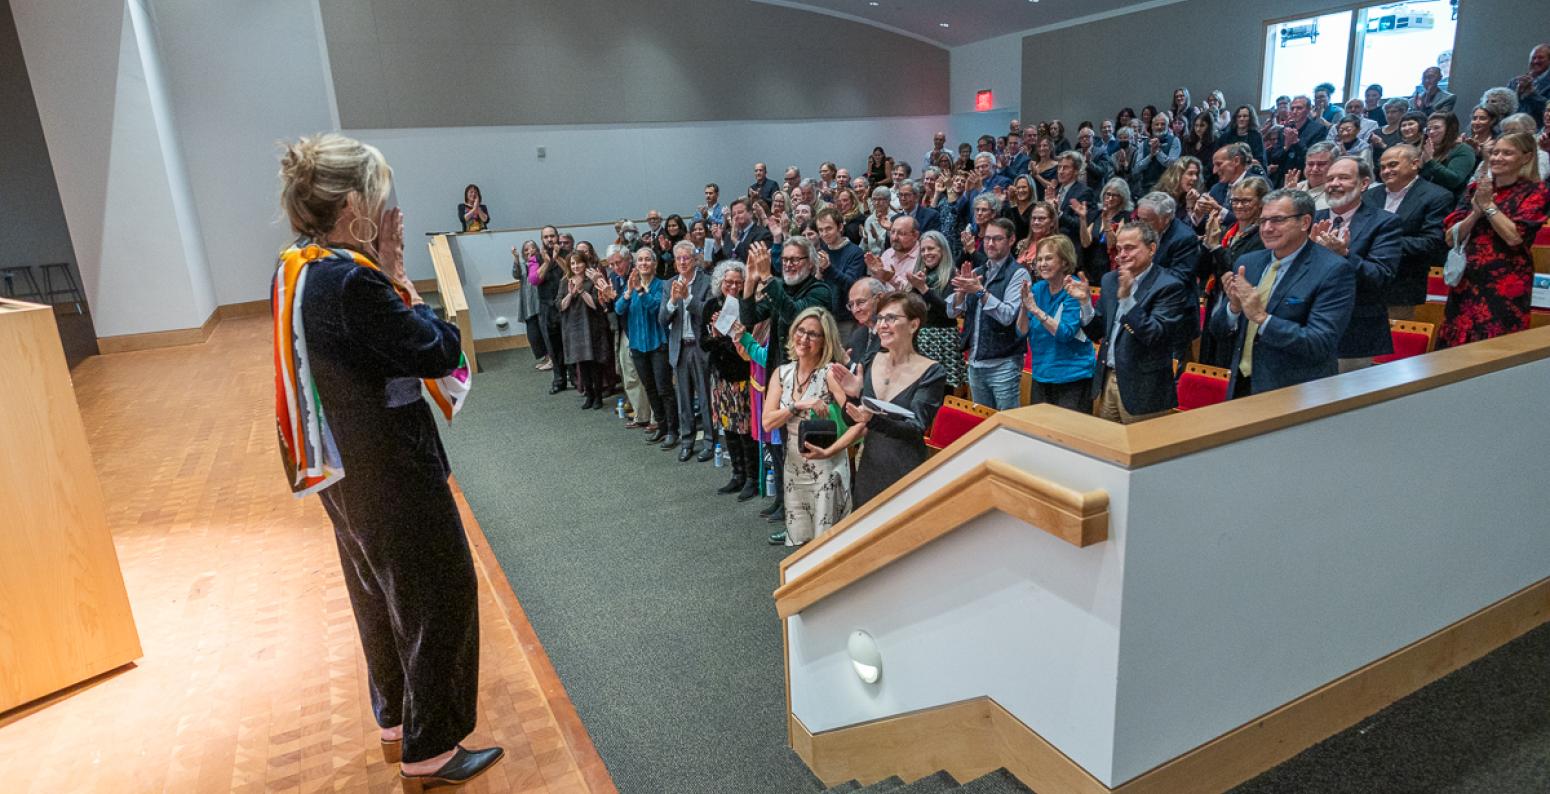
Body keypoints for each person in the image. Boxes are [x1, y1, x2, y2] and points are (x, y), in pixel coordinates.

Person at [273, 133, 502, 787]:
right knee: (440, 592)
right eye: (378, 195)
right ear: (351, 207)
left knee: (380, 593)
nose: (386, 207)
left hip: (341, 461)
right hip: (388, 467)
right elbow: (438, 350)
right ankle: (431, 747)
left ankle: (398, 719)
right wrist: (399, 275)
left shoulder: (301, 264)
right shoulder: (351, 282)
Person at [1212, 190, 1356, 398]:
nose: (1267, 228)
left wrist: (1262, 319)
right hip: (1242, 385)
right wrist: (1233, 309)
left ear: (1305, 222)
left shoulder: (1332, 270)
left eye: (1277, 220)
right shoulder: (1248, 263)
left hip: (1296, 391)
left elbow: (1320, 343)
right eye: (1263, 221)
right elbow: (1218, 330)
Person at [741, 238, 834, 525]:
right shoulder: (780, 287)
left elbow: (797, 315)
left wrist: (769, 278)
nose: (789, 265)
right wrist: (750, 280)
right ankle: (783, 500)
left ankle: (802, 510)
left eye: (796, 260)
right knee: (777, 445)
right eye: (786, 260)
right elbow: (749, 318)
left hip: (808, 378)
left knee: (797, 446)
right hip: (780, 374)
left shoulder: (819, 290)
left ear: (811, 263)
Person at [826, 291, 947, 507]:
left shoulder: (931, 371)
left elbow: (915, 427)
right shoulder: (873, 359)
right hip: (870, 466)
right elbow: (852, 420)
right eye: (880, 318)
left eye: (891, 318)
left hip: (905, 467)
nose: (882, 324)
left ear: (913, 325)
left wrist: (872, 419)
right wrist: (853, 396)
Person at [1438, 133, 1550, 348]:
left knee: (1495, 348)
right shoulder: (1475, 190)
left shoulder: (1536, 191)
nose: (1498, 158)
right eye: (1495, 152)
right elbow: (1451, 238)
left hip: (1505, 283)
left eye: (1507, 153)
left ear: (1526, 158)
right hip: (1466, 280)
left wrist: (1489, 206)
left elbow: (1514, 237)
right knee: (1455, 348)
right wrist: (1475, 213)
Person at [1079, 223, 1194, 423]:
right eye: (1119, 248)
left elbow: (1155, 334)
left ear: (1151, 249)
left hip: (1144, 388)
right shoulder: (1110, 280)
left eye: (1130, 248)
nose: (1122, 254)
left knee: (1143, 451)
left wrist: (1127, 301)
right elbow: (1097, 332)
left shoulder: (1169, 285)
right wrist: (1085, 303)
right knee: (1107, 447)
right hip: (1107, 380)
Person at [762, 307, 851, 546]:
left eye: (813, 334)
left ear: (825, 341)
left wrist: (832, 451)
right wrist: (797, 406)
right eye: (801, 331)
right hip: (793, 467)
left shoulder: (830, 374)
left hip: (826, 465)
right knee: (800, 539)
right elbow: (767, 422)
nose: (804, 338)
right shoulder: (781, 374)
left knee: (827, 541)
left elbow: (857, 422)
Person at [1311, 157, 1403, 371]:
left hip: (1354, 333)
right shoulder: (1312, 219)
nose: (1334, 183)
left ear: (1364, 184)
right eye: (1330, 178)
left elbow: (1380, 275)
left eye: (1343, 178)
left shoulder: (1385, 222)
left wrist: (1344, 255)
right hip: (1308, 331)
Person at [947, 218, 1029, 410]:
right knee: (981, 424)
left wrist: (980, 292)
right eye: (987, 239)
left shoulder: (1018, 274)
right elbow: (953, 312)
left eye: (997, 239)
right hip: (975, 362)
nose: (990, 243)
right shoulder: (978, 271)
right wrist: (960, 292)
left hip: (1004, 363)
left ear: (1011, 240)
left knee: (1007, 425)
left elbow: (1008, 315)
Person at [1365, 144, 1453, 320]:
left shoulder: (1437, 196)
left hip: (1402, 286)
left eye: (1393, 165)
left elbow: (1432, 242)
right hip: (1365, 285)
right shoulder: (1369, 196)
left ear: (1414, 164)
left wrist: (1383, 244)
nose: (1386, 171)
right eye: (1382, 167)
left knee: (1394, 345)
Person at [1016, 235, 1095, 411]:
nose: (1042, 263)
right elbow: (1021, 332)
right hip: (1042, 373)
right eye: (1039, 259)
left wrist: (1036, 310)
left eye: (1049, 258)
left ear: (1065, 263)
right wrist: (1023, 306)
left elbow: (1065, 333)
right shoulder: (1037, 289)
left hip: (1072, 376)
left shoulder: (1073, 289)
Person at [1200, 176, 1272, 366]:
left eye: (1246, 200)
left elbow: (1237, 272)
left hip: (1241, 308)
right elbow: (1203, 270)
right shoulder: (1228, 231)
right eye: (1235, 200)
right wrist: (1207, 244)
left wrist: (1216, 248)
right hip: (1216, 300)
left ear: (1261, 202)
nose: (1239, 206)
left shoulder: (1263, 237)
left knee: (1226, 361)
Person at [701, 260, 758, 497]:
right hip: (720, 378)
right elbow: (704, 344)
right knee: (729, 429)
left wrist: (726, 337)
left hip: (742, 377)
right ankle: (737, 474)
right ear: (720, 282)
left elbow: (744, 348)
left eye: (738, 282)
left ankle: (752, 479)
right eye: (728, 282)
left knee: (745, 430)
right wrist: (715, 336)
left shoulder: (748, 307)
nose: (733, 287)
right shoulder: (711, 306)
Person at [616, 247, 679, 449]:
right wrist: (628, 292)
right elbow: (618, 309)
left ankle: (673, 430)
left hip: (658, 344)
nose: (643, 263)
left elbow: (658, 310)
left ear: (654, 264)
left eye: (647, 260)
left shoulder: (662, 285)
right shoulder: (631, 285)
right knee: (650, 388)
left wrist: (641, 291)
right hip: (637, 346)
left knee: (664, 389)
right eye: (640, 260)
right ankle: (661, 425)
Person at [660, 241, 715, 462]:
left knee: (704, 397)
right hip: (680, 347)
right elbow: (662, 319)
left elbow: (707, 312)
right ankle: (687, 441)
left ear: (695, 260)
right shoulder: (669, 285)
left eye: (687, 258)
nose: (683, 262)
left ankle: (710, 442)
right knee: (683, 399)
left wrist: (688, 298)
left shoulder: (707, 282)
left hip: (700, 347)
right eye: (679, 258)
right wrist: (674, 300)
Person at [909, 230, 965, 389]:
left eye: (931, 249)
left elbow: (948, 312)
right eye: (923, 250)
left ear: (942, 250)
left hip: (944, 341)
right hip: (921, 339)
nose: (927, 253)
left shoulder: (953, 274)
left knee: (942, 392)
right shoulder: (921, 275)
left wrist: (924, 289)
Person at [558, 252, 613, 409]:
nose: (576, 267)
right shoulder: (564, 282)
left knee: (594, 362)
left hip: (592, 325)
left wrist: (581, 290)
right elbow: (560, 306)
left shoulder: (593, 280)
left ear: (585, 263)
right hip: (573, 327)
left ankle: (598, 396)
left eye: (579, 263)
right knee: (581, 363)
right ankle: (588, 394)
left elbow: (596, 304)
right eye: (572, 264)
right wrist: (570, 294)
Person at [814, 207, 866, 331]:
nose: (824, 234)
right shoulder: (821, 251)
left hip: (845, 319)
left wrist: (828, 268)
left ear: (840, 227)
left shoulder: (856, 253)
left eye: (828, 228)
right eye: (820, 230)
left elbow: (852, 285)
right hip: (823, 316)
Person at [1076, 178, 1133, 283]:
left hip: (1110, 269)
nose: (1110, 198)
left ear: (1122, 198)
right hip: (1090, 268)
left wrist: (1106, 222)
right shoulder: (1096, 214)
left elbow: (1112, 245)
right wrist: (1083, 219)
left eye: (1115, 195)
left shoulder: (1125, 217)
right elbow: (1085, 243)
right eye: (1108, 194)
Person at [536, 226, 570, 392]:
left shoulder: (567, 254)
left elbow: (570, 274)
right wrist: (548, 261)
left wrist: (556, 258)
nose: (549, 239)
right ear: (542, 239)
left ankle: (578, 380)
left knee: (568, 342)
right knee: (552, 345)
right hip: (546, 306)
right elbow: (536, 280)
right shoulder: (537, 257)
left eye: (552, 236)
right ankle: (559, 380)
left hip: (565, 304)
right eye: (546, 237)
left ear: (557, 237)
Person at [1420, 112, 1479, 203]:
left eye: (1436, 127)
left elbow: (1453, 181)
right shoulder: (1430, 148)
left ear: (1449, 129)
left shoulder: (1463, 149)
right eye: (1428, 129)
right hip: (1425, 197)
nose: (1431, 132)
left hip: (1447, 202)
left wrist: (1430, 161)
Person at [512, 240, 549, 370]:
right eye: (526, 250)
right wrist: (516, 259)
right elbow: (516, 274)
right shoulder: (522, 265)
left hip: (540, 304)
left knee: (544, 332)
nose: (529, 251)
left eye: (532, 248)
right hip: (528, 306)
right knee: (533, 335)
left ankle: (551, 358)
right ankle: (546, 357)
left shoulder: (541, 263)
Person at [842, 277, 889, 366]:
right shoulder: (857, 335)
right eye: (851, 305)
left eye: (861, 302)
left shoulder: (892, 330)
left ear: (879, 298)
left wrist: (849, 363)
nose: (855, 310)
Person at [1133, 111, 1181, 192]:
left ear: (1168, 126)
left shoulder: (1174, 140)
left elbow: (1173, 166)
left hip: (1167, 187)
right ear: (1152, 126)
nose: (1159, 127)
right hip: (1147, 187)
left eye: (1163, 124)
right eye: (1157, 124)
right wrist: (1150, 155)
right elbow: (1136, 169)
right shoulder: (1144, 144)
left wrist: (1158, 152)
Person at [1508, 44, 1550, 123]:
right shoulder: (1514, 82)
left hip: (1540, 131)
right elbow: (1505, 109)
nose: (1536, 61)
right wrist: (1517, 94)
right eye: (1533, 58)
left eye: (1540, 57)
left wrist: (1532, 94)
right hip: (1514, 128)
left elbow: (1548, 108)